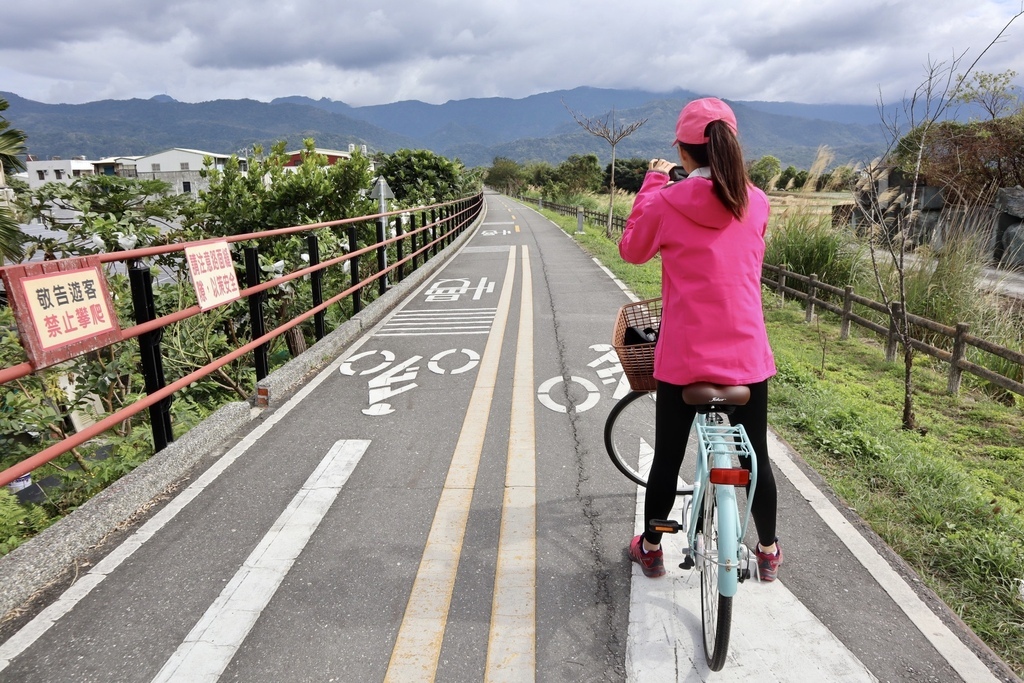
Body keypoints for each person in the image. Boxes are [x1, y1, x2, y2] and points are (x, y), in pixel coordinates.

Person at [618, 97, 782, 581]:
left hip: (685, 357)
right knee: (758, 456)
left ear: (685, 153)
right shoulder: (758, 201)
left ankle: (651, 548)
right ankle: (768, 552)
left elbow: (632, 250)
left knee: (668, 458)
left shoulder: (667, 200)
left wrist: (654, 181)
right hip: (747, 355)